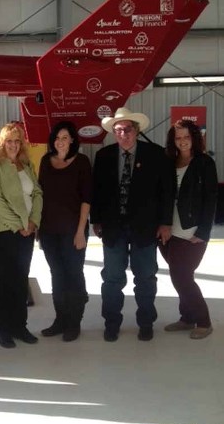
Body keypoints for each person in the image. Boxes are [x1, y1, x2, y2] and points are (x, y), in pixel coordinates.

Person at [91, 107, 174, 342]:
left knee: (146, 277)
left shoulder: (156, 155)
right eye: (117, 130)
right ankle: (111, 322)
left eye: (127, 129)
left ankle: (146, 322)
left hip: (145, 228)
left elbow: (166, 192)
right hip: (113, 228)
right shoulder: (104, 156)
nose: (122, 134)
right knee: (112, 278)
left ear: (136, 130)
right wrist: (95, 220)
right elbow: (97, 191)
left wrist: (165, 223)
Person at [159, 119, 218, 339]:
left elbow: (211, 199)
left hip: (191, 230)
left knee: (181, 276)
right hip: (168, 230)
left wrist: (203, 232)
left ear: (194, 138)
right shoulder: (169, 162)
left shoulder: (204, 163)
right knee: (180, 275)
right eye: (178, 137)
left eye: (186, 136)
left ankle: (203, 321)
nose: (182, 141)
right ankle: (186, 318)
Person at [0, 122, 43, 348]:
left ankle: (20, 326)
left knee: (21, 279)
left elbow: (37, 193)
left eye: (17, 141)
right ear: (2, 143)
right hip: (2, 232)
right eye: (9, 141)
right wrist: (19, 225)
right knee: (4, 281)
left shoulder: (26, 164)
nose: (13, 145)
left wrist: (33, 221)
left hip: (26, 231)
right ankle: (3, 329)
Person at [38, 121, 92, 342]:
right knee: (57, 276)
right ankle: (60, 320)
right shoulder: (45, 161)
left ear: (72, 140)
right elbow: (40, 194)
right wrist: (39, 230)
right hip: (49, 230)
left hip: (73, 231)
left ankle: (74, 322)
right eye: (57, 138)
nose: (60, 142)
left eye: (65, 137)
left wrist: (80, 231)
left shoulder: (82, 162)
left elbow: (87, 199)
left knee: (73, 275)